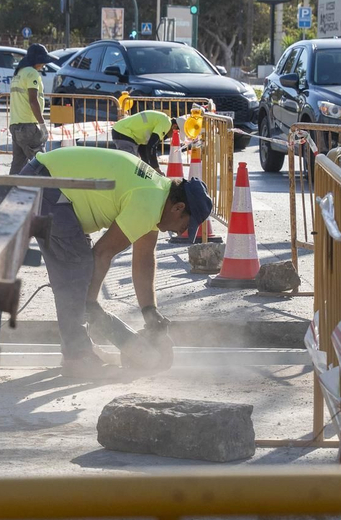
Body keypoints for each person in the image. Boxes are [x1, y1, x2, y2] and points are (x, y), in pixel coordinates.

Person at [19, 146, 212, 375]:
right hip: (44, 184)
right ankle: (77, 357)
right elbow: (102, 253)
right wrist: (90, 302)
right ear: (178, 208)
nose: (181, 233)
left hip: (47, 182)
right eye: (184, 225)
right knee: (77, 270)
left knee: (79, 272)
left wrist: (150, 312)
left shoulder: (158, 195)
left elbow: (144, 260)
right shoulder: (148, 202)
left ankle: (79, 350)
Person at [8, 43, 50, 174]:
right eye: (43, 62)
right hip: (28, 128)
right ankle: (47, 194)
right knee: (43, 165)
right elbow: (33, 101)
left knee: (18, 166)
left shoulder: (19, 73)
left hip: (16, 126)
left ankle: (7, 192)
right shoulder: (32, 73)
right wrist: (42, 125)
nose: (43, 65)